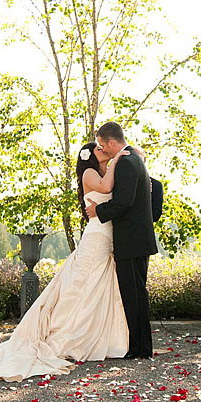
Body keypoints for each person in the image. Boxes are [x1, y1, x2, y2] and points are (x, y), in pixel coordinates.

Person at [0, 142, 130, 381]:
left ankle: (96, 336)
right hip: (96, 235)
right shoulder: (90, 174)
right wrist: (117, 159)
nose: (103, 150)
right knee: (81, 285)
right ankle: (67, 335)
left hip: (106, 234)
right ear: (89, 157)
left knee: (97, 287)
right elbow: (106, 186)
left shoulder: (102, 171)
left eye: (103, 148)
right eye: (99, 149)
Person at [86, 122, 158, 359]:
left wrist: (99, 210)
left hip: (131, 240)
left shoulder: (127, 162)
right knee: (136, 293)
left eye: (103, 145)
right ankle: (140, 346)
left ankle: (140, 349)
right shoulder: (134, 159)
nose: (103, 150)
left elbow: (124, 202)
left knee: (133, 294)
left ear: (111, 142)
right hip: (138, 239)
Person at [132, 146, 164, 223]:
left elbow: (155, 215)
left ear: (144, 159)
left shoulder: (156, 185)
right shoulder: (118, 181)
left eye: (136, 156)